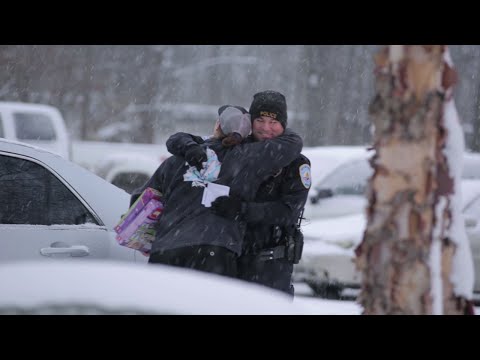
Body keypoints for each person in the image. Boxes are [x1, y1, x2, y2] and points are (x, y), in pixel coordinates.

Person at [131, 104, 304, 278]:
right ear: (247, 133)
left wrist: (148, 238)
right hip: (215, 253)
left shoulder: (178, 159)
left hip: (165, 251)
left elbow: (140, 199)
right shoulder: (249, 159)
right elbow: (293, 143)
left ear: (218, 125)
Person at [166, 90, 311, 296]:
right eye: (259, 120)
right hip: (227, 257)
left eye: (274, 122)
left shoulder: (295, 163)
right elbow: (177, 139)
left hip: (269, 264)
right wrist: (189, 147)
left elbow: (289, 211)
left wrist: (243, 210)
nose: (266, 128)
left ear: (284, 125)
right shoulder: (235, 147)